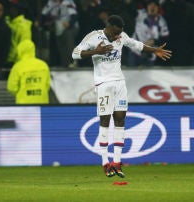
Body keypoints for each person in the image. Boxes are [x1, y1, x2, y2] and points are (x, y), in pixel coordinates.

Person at [71, 15, 172, 178]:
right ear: (109, 26)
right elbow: (75, 54)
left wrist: (155, 51)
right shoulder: (93, 36)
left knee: (120, 119)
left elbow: (136, 45)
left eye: (120, 32)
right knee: (105, 120)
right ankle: (105, 162)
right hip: (103, 84)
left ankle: (117, 162)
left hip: (120, 83)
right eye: (116, 32)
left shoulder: (121, 37)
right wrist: (96, 51)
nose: (118, 36)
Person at [7, 40, 51, 104]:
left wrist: (23, 93)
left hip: (24, 104)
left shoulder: (18, 67)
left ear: (20, 51)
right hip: (42, 103)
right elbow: (47, 85)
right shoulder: (44, 65)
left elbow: (11, 88)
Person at [128, 0, 169, 67]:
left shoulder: (161, 21)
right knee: (132, 75)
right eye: (150, 5)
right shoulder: (140, 15)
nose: (152, 7)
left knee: (148, 76)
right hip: (135, 52)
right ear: (147, 7)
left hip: (150, 55)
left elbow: (165, 38)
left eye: (155, 6)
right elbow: (130, 9)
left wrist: (154, 41)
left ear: (158, 8)